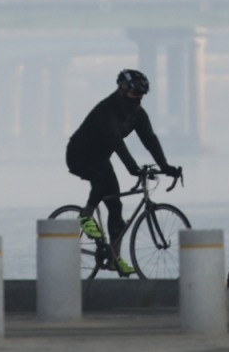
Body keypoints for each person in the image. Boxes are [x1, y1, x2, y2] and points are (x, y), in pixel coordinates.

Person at [65, 69, 181, 275]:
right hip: (79, 155)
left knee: (116, 207)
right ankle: (85, 216)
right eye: (134, 93)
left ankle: (114, 258)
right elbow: (115, 141)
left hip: (100, 158)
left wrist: (165, 167)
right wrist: (131, 167)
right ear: (121, 90)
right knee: (101, 181)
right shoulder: (107, 110)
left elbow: (150, 140)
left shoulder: (137, 114)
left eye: (141, 95)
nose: (138, 98)